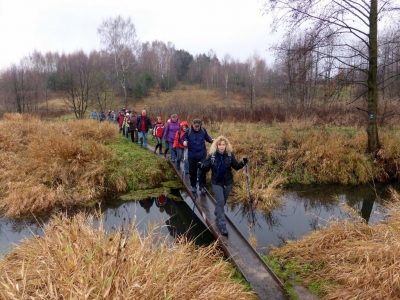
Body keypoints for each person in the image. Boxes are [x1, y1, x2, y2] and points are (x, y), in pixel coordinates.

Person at [198, 136, 248, 236]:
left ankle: (217, 212)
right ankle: (222, 225)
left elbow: (236, 167)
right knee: (220, 202)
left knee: (223, 201)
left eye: (223, 145)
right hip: (216, 182)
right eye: (219, 145)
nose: (221, 147)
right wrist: (201, 166)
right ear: (216, 146)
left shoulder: (229, 155)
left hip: (228, 182)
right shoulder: (212, 156)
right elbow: (207, 168)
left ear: (226, 146)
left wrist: (242, 163)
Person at [180, 118, 213, 195]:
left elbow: (207, 138)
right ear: (193, 125)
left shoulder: (203, 130)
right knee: (193, 172)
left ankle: (202, 187)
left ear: (200, 125)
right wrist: (183, 142)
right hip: (192, 155)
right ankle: (193, 186)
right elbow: (182, 139)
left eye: (198, 126)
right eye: (195, 126)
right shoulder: (189, 131)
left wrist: (211, 140)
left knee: (202, 171)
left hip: (202, 155)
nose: (197, 128)